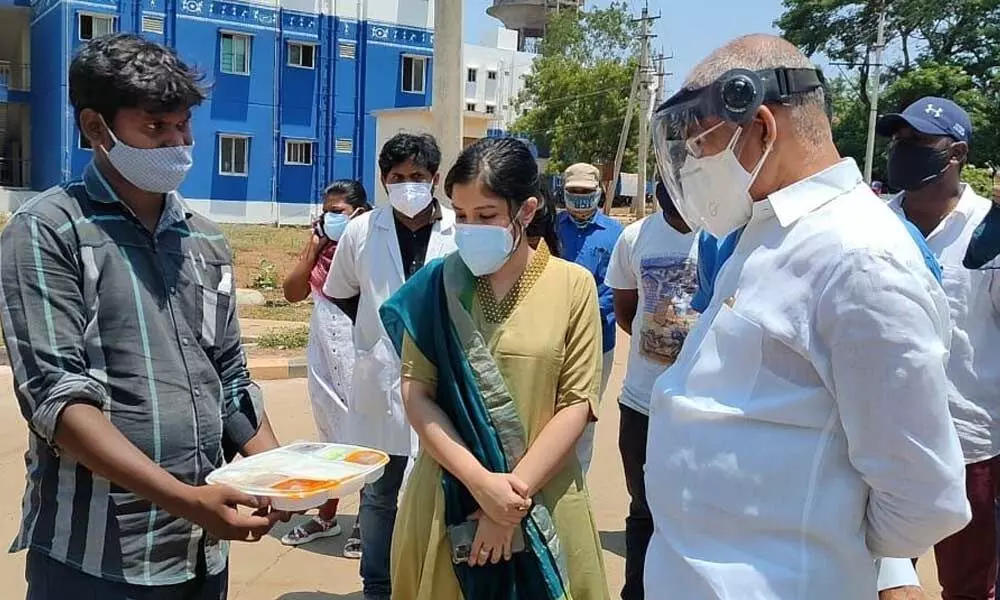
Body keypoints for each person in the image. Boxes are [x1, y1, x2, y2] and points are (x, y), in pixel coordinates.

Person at [645, 34, 970, 599]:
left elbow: (922, 497)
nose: (693, 164)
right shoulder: (764, 234)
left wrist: (818, 548)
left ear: (763, 127)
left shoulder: (860, 258)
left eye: (701, 144)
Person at [0, 34, 287, 599]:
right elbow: (58, 400)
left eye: (183, 127)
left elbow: (228, 381)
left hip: (202, 554)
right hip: (98, 557)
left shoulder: (204, 240)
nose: (177, 144)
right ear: (94, 128)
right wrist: (188, 502)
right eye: (156, 129)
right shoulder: (48, 230)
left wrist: (287, 476)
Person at [380, 136, 609, 600]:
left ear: (525, 211)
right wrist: (483, 486)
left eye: (485, 216)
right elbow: (416, 392)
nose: (469, 229)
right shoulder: (438, 283)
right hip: (449, 495)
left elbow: (577, 404)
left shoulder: (573, 286)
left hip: (542, 499)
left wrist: (508, 503)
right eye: (460, 216)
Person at [324, 132, 457, 600]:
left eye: (418, 177)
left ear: (435, 179)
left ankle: (430, 585)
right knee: (379, 495)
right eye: (397, 178)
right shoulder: (362, 231)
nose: (408, 186)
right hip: (380, 379)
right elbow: (341, 293)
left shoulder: (458, 229)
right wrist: (378, 338)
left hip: (443, 379)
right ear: (383, 181)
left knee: (443, 490)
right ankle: (376, 587)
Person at [878, 97, 1000, 600]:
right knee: (874, 579)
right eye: (899, 141)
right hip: (883, 444)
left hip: (971, 447)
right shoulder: (870, 225)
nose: (903, 151)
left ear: (957, 155)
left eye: (919, 142)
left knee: (969, 586)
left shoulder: (991, 234)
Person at [604, 180, 698, 600]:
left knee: (696, 512)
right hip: (642, 402)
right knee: (642, 509)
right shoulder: (634, 237)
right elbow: (627, 312)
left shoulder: (726, 235)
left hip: (703, 405)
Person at [278, 180, 371, 555]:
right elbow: (292, 291)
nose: (329, 217)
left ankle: (369, 519)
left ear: (359, 215)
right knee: (330, 434)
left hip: (358, 349)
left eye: (338, 212)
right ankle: (327, 515)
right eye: (326, 211)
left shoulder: (368, 251)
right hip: (323, 351)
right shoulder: (320, 252)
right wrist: (314, 245)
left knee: (365, 434)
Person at [555, 163, 624, 474]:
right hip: (554, 337)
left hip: (599, 341)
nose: (580, 198)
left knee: (585, 413)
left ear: (599, 193)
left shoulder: (615, 234)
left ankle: (578, 482)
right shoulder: (552, 228)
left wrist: (581, 311)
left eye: (586, 192)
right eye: (574, 192)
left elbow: (617, 286)